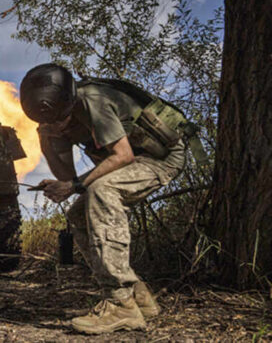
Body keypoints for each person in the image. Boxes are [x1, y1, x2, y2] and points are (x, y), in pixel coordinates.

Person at [19, 63, 186, 334]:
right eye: (49, 121)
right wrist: (59, 172)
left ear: (70, 101)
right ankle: (139, 299)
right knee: (77, 213)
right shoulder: (49, 125)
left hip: (161, 158)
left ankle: (120, 303)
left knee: (103, 191)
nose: (56, 124)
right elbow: (68, 179)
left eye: (60, 118)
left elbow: (123, 156)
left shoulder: (93, 101)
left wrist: (73, 185)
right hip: (131, 161)